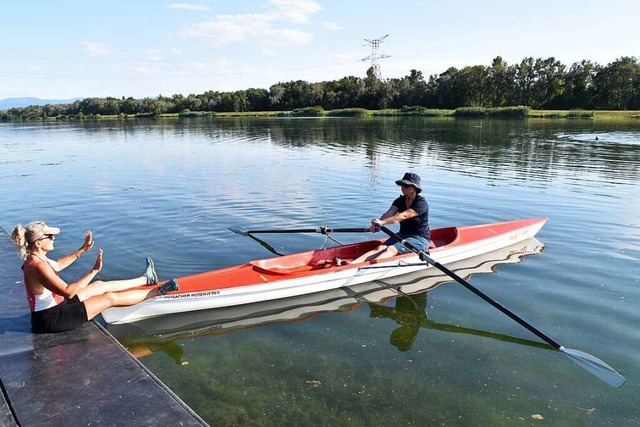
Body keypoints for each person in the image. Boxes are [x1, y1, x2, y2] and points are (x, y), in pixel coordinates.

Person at [11, 221, 178, 333]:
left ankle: (146, 278)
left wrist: (82, 249)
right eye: (49, 236)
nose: (53, 238)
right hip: (52, 319)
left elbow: (59, 265)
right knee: (109, 298)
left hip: (57, 307)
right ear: (38, 243)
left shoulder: (38, 258)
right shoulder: (37, 266)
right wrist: (93, 271)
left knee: (99, 285)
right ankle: (158, 291)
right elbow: (68, 292)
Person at [349, 172, 430, 264]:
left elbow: (403, 216)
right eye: (402, 185)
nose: (403, 188)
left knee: (390, 249)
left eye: (406, 186)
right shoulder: (400, 200)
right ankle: (353, 263)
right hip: (402, 235)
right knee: (380, 248)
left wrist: (382, 223)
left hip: (419, 239)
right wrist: (378, 223)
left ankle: (367, 267)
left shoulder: (421, 203)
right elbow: (389, 213)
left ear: (414, 188)